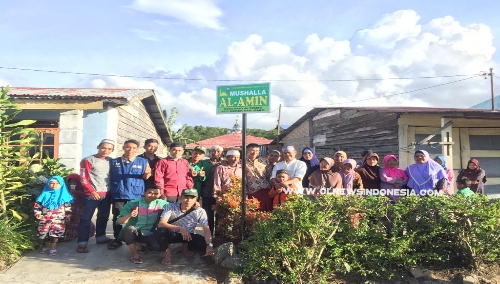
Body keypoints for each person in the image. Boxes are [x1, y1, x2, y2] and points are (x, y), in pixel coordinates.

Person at [108, 139, 151, 250]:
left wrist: (148, 173)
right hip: (119, 194)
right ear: (123, 147)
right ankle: (117, 239)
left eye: (133, 148)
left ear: (137, 149)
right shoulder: (114, 162)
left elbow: (146, 177)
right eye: (128, 147)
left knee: (137, 217)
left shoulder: (143, 162)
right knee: (117, 217)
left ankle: (137, 240)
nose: (130, 150)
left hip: (136, 195)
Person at [154, 188, 214, 266]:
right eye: (186, 197)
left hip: (187, 236)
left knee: (203, 244)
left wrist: (209, 245)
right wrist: (179, 228)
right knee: (160, 231)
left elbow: (206, 229)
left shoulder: (200, 211)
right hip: (171, 234)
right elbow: (161, 224)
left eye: (192, 198)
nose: (188, 200)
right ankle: (167, 253)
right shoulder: (171, 206)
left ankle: (184, 247)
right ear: (180, 198)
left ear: (196, 199)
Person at [77, 139, 115, 253]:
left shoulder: (111, 161)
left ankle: (101, 237)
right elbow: (83, 177)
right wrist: (91, 191)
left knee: (103, 217)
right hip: (92, 195)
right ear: (98, 147)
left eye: (109, 149)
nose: (106, 150)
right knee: (86, 219)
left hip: (107, 194)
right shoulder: (88, 160)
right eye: (103, 148)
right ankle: (82, 243)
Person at [117, 185, 168, 264]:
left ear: (159, 195)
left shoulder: (162, 203)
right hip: (131, 233)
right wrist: (130, 215)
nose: (152, 195)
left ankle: (139, 244)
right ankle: (135, 254)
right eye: (150, 193)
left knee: (158, 247)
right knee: (129, 229)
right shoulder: (132, 204)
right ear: (144, 193)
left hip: (148, 233)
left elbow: (177, 207)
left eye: (156, 193)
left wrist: (194, 204)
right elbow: (120, 221)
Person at [34, 176, 73, 256]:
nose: (54, 185)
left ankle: (53, 248)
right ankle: (47, 246)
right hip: (44, 219)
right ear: (48, 184)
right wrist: (37, 213)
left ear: (61, 185)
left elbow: (68, 207)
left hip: (58, 219)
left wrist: (68, 215)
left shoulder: (64, 195)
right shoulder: (44, 194)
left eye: (57, 183)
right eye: (52, 183)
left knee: (55, 233)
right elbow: (37, 205)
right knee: (43, 234)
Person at [62, 173, 95, 242]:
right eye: (71, 182)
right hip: (68, 208)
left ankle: (82, 235)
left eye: (74, 182)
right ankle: (68, 236)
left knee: (79, 222)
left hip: (79, 208)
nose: (72, 183)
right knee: (68, 222)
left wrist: (77, 192)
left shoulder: (82, 188)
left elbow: (86, 196)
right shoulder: (66, 189)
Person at [201, 145, 224, 235]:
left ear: (221, 153)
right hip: (207, 192)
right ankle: (208, 235)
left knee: (220, 215)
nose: (215, 153)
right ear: (210, 152)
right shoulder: (204, 162)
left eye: (218, 151)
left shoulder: (224, 163)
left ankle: (219, 235)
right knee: (208, 215)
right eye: (213, 151)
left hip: (220, 193)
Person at [245, 144, 272, 211]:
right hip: (251, 190)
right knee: (253, 211)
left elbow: (269, 175)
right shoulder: (241, 162)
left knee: (266, 212)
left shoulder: (265, 161)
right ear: (247, 151)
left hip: (265, 189)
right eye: (252, 150)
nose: (254, 153)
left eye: (257, 151)